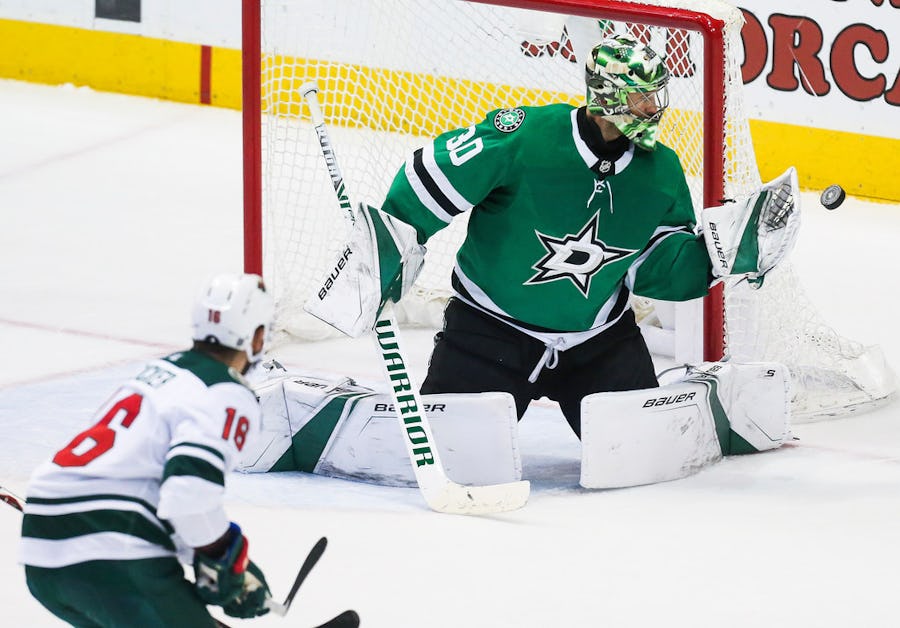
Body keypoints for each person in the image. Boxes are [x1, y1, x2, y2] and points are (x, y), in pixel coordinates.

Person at [306, 35, 798, 439]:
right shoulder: (526, 137)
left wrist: (721, 254)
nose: (654, 107)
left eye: (656, 94)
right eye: (641, 96)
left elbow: (654, 269)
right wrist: (389, 242)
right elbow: (431, 175)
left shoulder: (661, 171)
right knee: (452, 447)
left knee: (649, 448)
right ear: (606, 97)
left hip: (600, 342)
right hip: (488, 334)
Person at [20, 273, 276, 627]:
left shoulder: (156, 373)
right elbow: (188, 497)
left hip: (42, 553)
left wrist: (217, 561)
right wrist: (225, 560)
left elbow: (155, 499)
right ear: (257, 336)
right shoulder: (225, 391)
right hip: (114, 548)